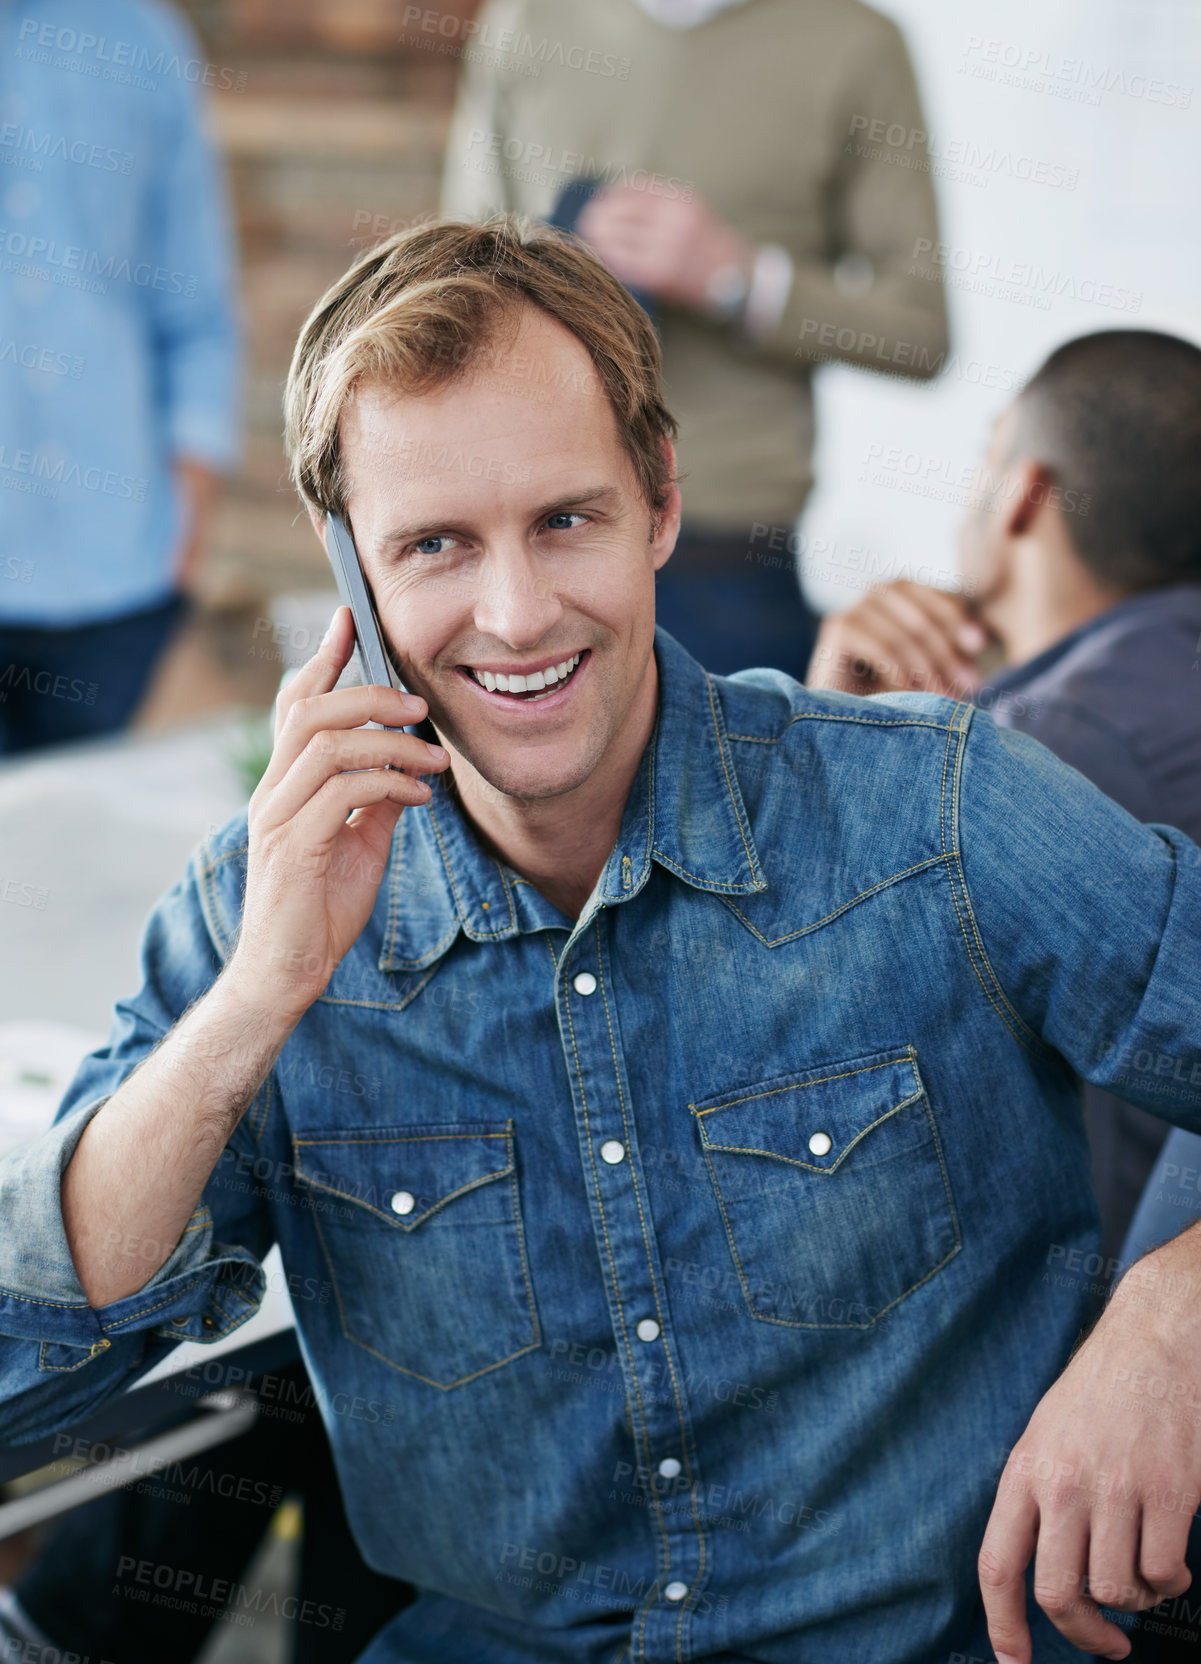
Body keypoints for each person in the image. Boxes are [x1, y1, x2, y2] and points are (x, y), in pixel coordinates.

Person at [0, 221, 1199, 1664]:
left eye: (564, 520)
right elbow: (30, 1378)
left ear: (660, 504)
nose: (514, 615)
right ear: (349, 577)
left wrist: (1171, 1309)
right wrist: (260, 994)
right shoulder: (246, 913)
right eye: (434, 545)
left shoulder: (937, 811)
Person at [807, 328, 1201, 1269]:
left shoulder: (1043, 752)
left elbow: (823, 1051)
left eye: (985, 452)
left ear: (1024, 490)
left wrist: (830, 739)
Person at [439, 0, 948, 681]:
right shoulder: (528, 22)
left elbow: (920, 330)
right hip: (528, 534)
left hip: (729, 553)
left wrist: (738, 279)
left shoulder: (855, 44)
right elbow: (451, 279)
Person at [0, 0, 239, 754]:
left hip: (116, 578)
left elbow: (195, 300)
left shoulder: (139, 37)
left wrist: (191, 495)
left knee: (67, 862)